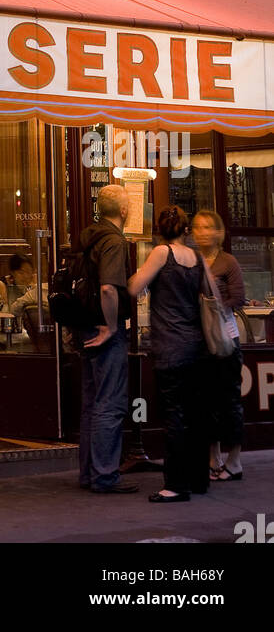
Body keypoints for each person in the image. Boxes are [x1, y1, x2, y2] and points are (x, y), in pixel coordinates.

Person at [129, 205, 209, 502]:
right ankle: (199, 479)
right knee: (195, 414)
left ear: (161, 230)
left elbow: (135, 286)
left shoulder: (162, 253)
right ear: (186, 229)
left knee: (174, 415)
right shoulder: (197, 257)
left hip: (170, 346)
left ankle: (175, 485)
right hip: (197, 345)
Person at [76, 184, 137, 494]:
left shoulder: (89, 237)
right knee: (109, 404)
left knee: (91, 403)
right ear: (124, 211)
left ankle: (88, 473)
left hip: (84, 327)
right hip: (103, 330)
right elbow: (108, 288)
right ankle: (104, 475)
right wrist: (111, 326)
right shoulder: (113, 241)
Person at [192, 209, 245, 481]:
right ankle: (214, 457)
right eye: (197, 227)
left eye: (207, 227)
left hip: (225, 339)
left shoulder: (228, 262)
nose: (202, 232)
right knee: (206, 400)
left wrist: (213, 309)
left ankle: (234, 461)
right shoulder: (191, 261)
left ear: (218, 232)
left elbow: (239, 297)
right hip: (200, 341)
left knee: (229, 400)